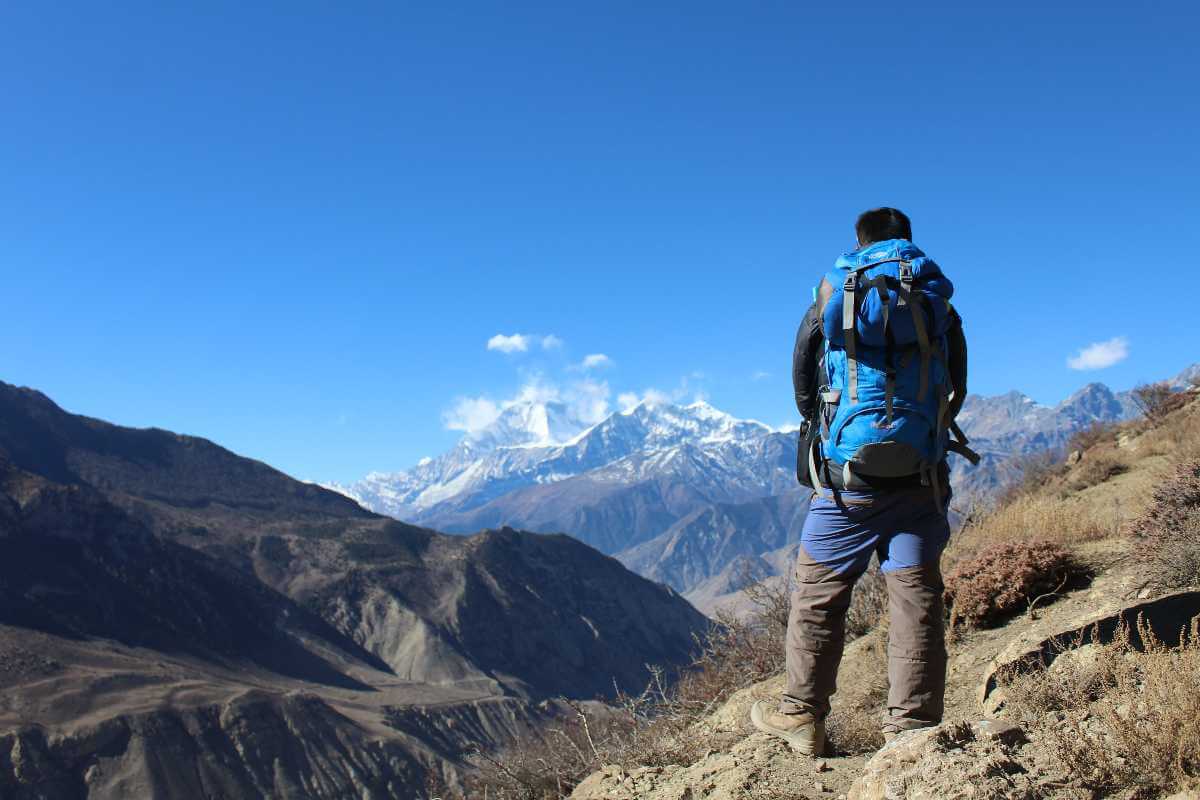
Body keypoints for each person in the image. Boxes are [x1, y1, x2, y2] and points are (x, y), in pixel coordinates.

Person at [750, 207, 975, 755]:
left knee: (818, 595)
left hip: (847, 483)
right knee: (916, 596)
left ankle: (803, 716)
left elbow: (804, 375)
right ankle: (913, 729)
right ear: (908, 240)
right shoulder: (935, 300)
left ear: (859, 240)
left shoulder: (835, 296)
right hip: (919, 476)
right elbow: (957, 382)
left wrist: (817, 430)